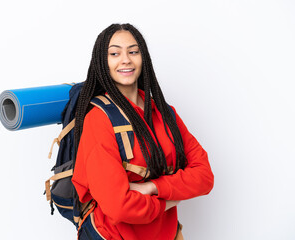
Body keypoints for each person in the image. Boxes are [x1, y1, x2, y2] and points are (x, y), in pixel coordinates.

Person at [71, 23, 214, 240]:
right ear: (103, 62)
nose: (126, 59)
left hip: (168, 234)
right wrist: (170, 200)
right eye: (114, 53)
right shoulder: (98, 120)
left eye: (133, 51)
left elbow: (204, 177)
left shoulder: (165, 114)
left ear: (143, 58)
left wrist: (152, 187)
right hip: (113, 235)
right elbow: (119, 207)